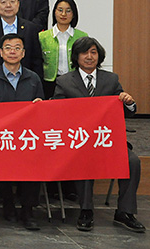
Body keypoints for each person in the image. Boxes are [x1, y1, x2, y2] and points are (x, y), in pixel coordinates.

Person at [53, 37, 145, 233]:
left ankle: (125, 212)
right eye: (84, 52)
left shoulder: (111, 79)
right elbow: (55, 111)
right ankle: (86, 210)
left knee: (133, 161)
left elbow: (126, 111)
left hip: (107, 141)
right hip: (79, 142)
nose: (89, 56)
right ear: (76, 57)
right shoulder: (64, 81)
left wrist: (129, 102)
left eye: (93, 52)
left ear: (99, 56)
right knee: (85, 158)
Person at [0, 33, 43, 231]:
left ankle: (28, 211)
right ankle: (8, 204)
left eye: (17, 48)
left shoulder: (33, 78)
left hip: (27, 137)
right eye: (8, 48)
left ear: (23, 53)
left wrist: (39, 105)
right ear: (1, 52)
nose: (12, 51)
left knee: (35, 162)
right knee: (1, 161)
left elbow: (41, 112)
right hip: (0, 136)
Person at [38, 0, 88, 99]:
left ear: (73, 14)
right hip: (49, 83)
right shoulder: (42, 36)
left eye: (68, 11)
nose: (63, 14)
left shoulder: (82, 36)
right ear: (54, 12)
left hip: (75, 82)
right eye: (60, 10)